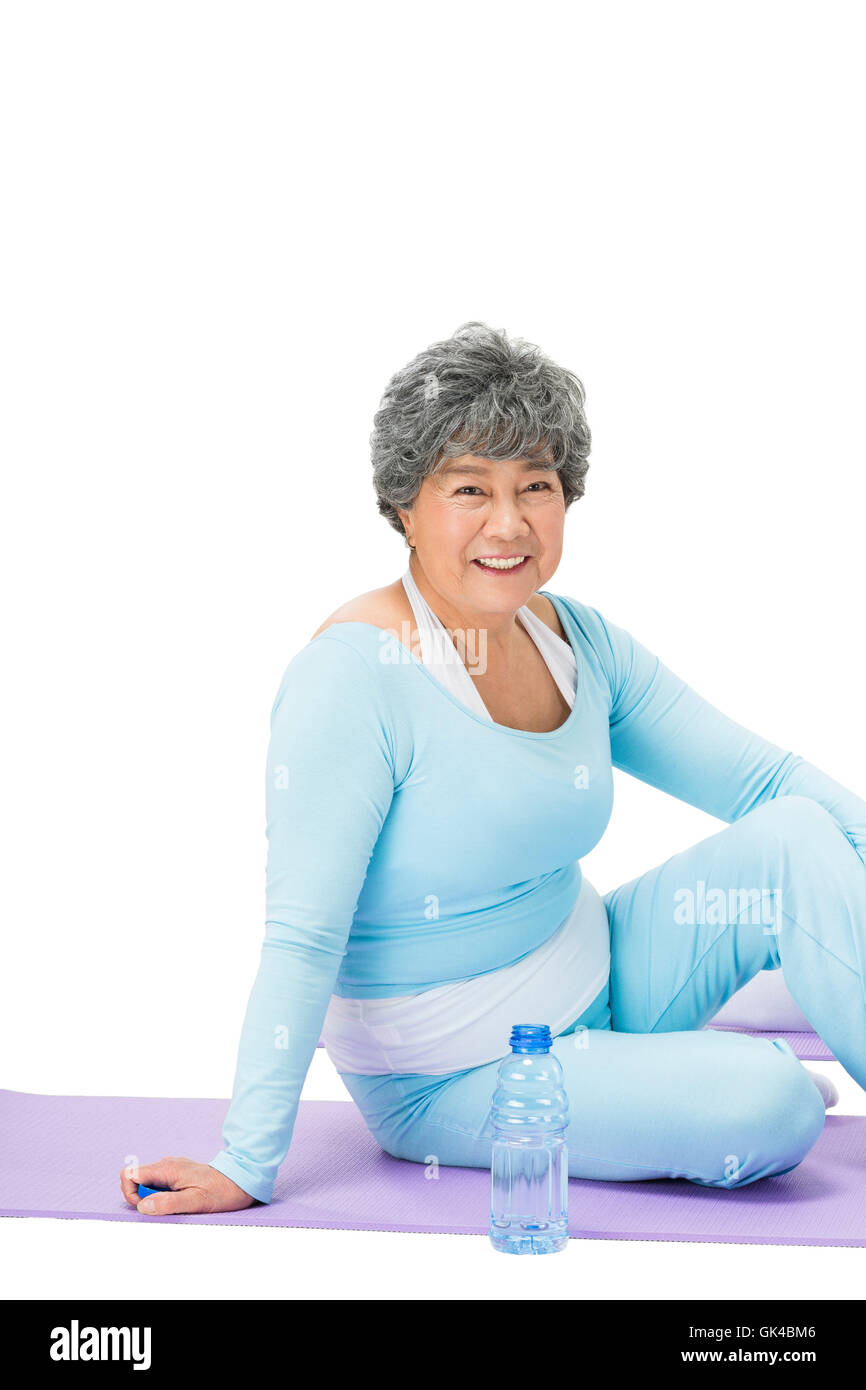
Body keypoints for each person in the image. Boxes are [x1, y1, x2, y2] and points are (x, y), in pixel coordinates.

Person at [121, 321, 866, 1217]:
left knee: (800, 838)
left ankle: (750, 1021)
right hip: (463, 1078)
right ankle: (754, 1045)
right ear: (405, 504)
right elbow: (302, 937)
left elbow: (762, 781)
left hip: (611, 977)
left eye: (536, 488)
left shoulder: (574, 637)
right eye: (469, 488)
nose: (509, 525)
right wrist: (246, 1160)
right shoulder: (352, 680)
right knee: (772, 1105)